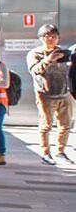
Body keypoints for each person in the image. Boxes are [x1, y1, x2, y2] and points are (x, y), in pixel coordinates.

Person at [26, 24, 73, 164]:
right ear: (41, 38)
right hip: (45, 95)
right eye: (48, 36)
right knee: (46, 125)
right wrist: (48, 59)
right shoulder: (35, 53)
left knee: (65, 125)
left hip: (65, 94)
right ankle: (45, 153)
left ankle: (60, 151)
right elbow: (34, 70)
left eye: (54, 36)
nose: (51, 39)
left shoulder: (64, 53)